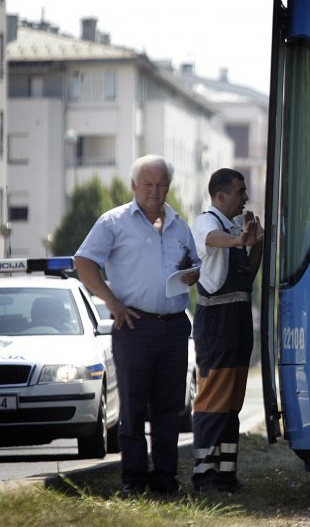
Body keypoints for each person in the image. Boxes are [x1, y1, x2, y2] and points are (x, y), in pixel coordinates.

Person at [75, 154, 199, 496]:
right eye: (147, 184)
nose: (154, 191)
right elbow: (83, 262)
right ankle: (133, 480)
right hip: (134, 327)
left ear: (168, 187)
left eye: (161, 184)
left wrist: (192, 274)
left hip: (174, 327)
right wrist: (111, 302)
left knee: (169, 409)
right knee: (132, 407)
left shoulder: (179, 224)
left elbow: (194, 265)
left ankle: (165, 480)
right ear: (134, 185)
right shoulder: (113, 222)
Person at [190, 168, 263, 492]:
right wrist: (239, 239)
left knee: (232, 403)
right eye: (240, 191)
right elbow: (210, 241)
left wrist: (256, 242)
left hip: (238, 324)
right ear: (221, 196)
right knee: (213, 400)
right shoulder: (207, 221)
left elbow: (247, 275)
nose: (245, 197)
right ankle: (205, 473)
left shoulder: (234, 227)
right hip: (216, 325)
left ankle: (226, 473)